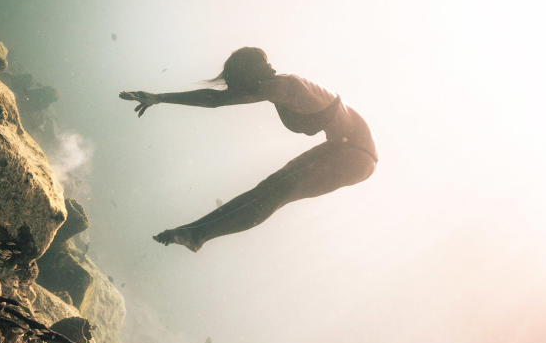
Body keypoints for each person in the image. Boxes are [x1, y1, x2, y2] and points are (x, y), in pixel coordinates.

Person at [119, 46, 377, 251]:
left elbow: (215, 101)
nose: (234, 91)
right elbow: (218, 99)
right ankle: (194, 232)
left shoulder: (281, 86)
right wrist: (159, 98)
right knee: (269, 188)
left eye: (235, 83)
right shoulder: (277, 86)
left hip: (356, 155)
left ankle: (196, 234)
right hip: (344, 149)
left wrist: (160, 97)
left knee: (276, 192)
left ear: (249, 75)